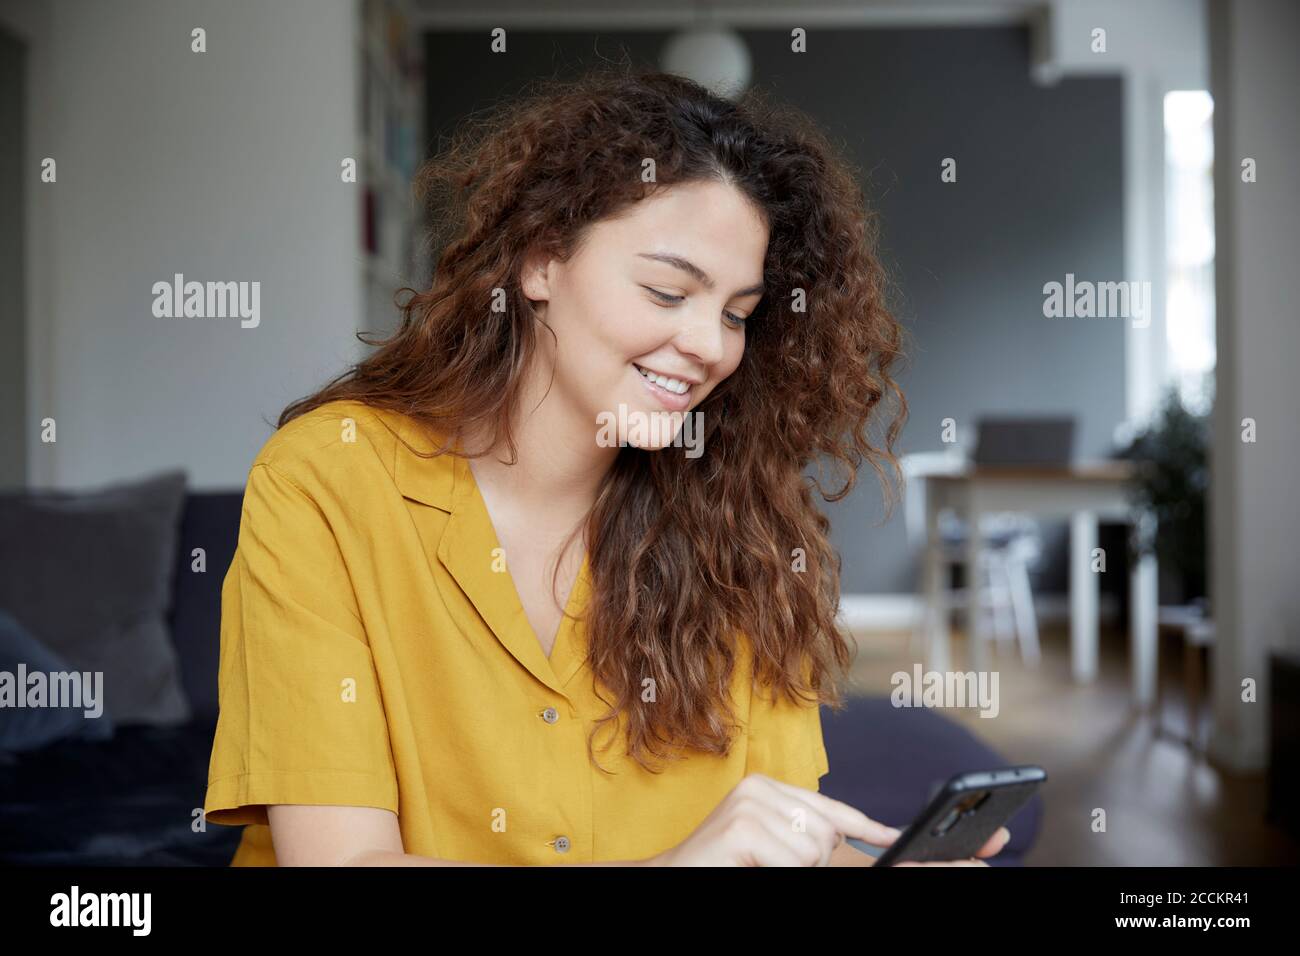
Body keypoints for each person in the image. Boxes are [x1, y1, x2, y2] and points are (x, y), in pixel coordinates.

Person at [203, 65, 1009, 867]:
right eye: (667, 292)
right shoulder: (328, 478)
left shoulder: (744, 529)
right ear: (541, 262)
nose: (709, 345)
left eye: (737, 314)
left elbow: (776, 847)